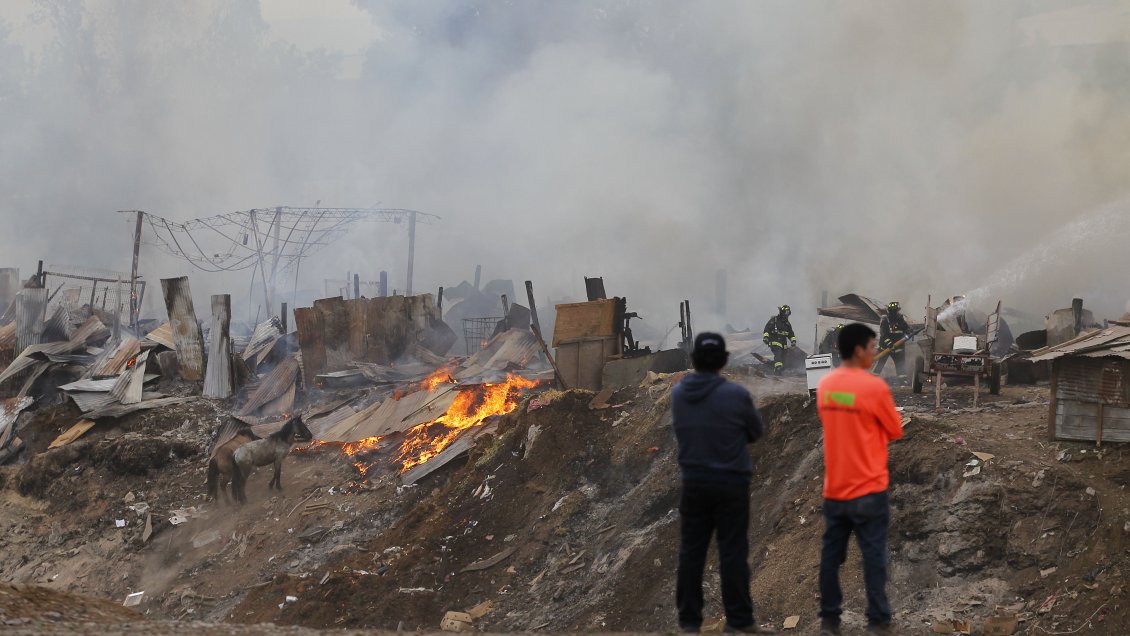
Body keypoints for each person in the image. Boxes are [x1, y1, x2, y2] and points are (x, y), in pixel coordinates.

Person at [672, 332, 775, 634]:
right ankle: (739, 620)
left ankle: (689, 622)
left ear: (693, 360)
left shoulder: (679, 394)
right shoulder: (736, 395)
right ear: (724, 361)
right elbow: (755, 432)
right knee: (732, 552)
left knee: (692, 552)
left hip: (694, 484)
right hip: (731, 484)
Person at [815, 323, 903, 636]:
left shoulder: (826, 386)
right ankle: (878, 621)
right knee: (873, 557)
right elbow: (894, 430)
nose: (875, 351)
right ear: (857, 350)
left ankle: (829, 621)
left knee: (830, 557)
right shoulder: (874, 388)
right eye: (871, 346)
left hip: (835, 491)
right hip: (869, 489)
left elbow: (835, 416)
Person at [876, 302, 910, 378]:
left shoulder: (901, 320)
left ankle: (902, 381)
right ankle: (871, 380)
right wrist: (889, 344)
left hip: (898, 348)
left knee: (900, 365)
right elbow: (883, 334)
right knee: (879, 365)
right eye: (894, 311)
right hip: (885, 348)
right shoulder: (885, 321)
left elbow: (906, 328)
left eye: (896, 311)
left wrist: (909, 330)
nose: (895, 313)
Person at [762, 305, 796, 375]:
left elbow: (791, 334)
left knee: (783, 358)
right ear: (782, 312)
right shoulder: (774, 320)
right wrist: (765, 337)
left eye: (788, 314)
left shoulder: (787, 324)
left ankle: (779, 369)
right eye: (785, 314)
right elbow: (767, 329)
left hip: (783, 344)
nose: (786, 316)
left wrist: (793, 341)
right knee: (778, 354)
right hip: (774, 342)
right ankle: (777, 369)